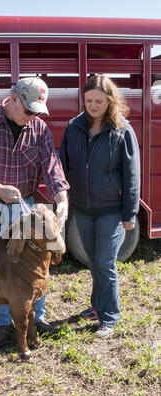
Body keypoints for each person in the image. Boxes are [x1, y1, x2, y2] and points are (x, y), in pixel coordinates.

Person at [0, 76, 69, 347]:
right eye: (28, 109)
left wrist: (62, 198)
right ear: (15, 98)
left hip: (26, 208)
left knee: (36, 264)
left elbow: (52, 167)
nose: (31, 116)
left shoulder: (39, 129)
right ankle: (2, 323)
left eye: (36, 112)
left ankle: (36, 318)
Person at [59, 74, 140, 338]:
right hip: (82, 208)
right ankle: (97, 306)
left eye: (99, 101)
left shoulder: (122, 130)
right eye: (88, 100)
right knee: (94, 262)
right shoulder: (74, 127)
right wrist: (63, 199)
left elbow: (132, 173)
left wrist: (130, 213)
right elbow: (63, 165)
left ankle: (109, 316)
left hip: (111, 210)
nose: (92, 105)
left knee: (105, 263)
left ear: (109, 101)